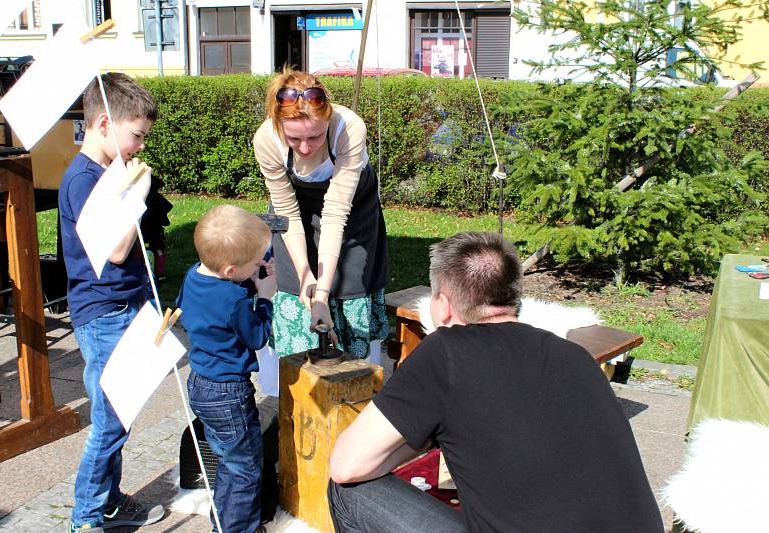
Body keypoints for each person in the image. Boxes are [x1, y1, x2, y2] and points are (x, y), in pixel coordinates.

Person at [328, 232, 664, 532]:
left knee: (346, 493)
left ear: (444, 306)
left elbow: (347, 466)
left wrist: (420, 436)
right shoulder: (575, 356)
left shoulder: (445, 352)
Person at [59, 73, 164, 532]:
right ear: (104, 122)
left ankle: (109, 502)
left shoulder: (104, 173)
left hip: (125, 305)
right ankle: (85, 517)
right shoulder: (83, 180)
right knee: (109, 422)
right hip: (103, 314)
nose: (140, 146)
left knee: (121, 417)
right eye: (136, 135)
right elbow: (116, 250)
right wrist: (137, 194)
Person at [252, 68, 388, 361]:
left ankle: (354, 378)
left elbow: (336, 214)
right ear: (279, 126)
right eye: (293, 139)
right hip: (295, 217)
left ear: (327, 121)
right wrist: (305, 277)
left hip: (351, 217)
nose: (304, 148)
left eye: (314, 137)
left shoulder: (348, 129)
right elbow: (286, 214)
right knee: (293, 283)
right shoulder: (265, 139)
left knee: (346, 283)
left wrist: (322, 294)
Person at [176, 205, 276, 533]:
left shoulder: (194, 274)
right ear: (231, 270)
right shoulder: (235, 301)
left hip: (201, 384)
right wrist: (265, 297)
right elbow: (257, 337)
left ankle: (224, 519)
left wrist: (249, 278)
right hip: (229, 394)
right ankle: (238, 529)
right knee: (247, 468)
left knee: (229, 462)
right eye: (252, 264)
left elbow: (201, 302)